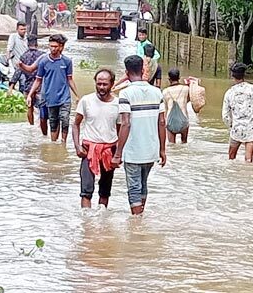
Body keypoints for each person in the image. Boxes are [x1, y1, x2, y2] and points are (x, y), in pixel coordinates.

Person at [112, 55, 166, 215]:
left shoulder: (125, 94)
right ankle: (140, 215)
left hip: (133, 150)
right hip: (151, 149)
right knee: (143, 183)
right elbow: (162, 122)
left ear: (127, 73)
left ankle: (136, 221)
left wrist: (118, 153)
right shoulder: (157, 92)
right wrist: (162, 150)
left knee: (134, 186)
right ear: (143, 70)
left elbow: (125, 123)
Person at [72, 69, 120, 209]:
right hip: (88, 149)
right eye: (99, 84)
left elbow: (120, 129)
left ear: (112, 84)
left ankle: (102, 220)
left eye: (105, 84)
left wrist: (119, 153)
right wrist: (77, 147)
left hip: (109, 150)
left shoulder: (118, 104)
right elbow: (76, 124)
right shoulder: (86, 101)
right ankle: (87, 224)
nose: (101, 87)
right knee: (86, 191)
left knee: (105, 191)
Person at [24, 34, 79, 143]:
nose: (53, 49)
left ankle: (63, 142)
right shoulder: (44, 61)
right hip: (50, 98)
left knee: (65, 119)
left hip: (64, 97)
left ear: (60, 47)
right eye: (51, 46)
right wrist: (30, 95)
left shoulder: (67, 61)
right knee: (53, 122)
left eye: (55, 46)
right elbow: (38, 80)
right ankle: (54, 144)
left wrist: (77, 95)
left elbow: (70, 79)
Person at [9, 31, 48, 135]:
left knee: (29, 108)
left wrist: (11, 86)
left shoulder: (23, 56)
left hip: (28, 86)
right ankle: (41, 127)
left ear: (27, 44)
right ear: (37, 44)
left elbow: (18, 71)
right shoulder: (43, 56)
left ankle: (31, 127)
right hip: (40, 86)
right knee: (42, 108)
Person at [162, 68, 191, 143]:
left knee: (172, 145)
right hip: (184, 120)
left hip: (170, 121)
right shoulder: (186, 89)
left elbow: (165, 108)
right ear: (179, 78)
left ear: (169, 78)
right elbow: (188, 100)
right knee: (184, 143)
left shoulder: (165, 92)